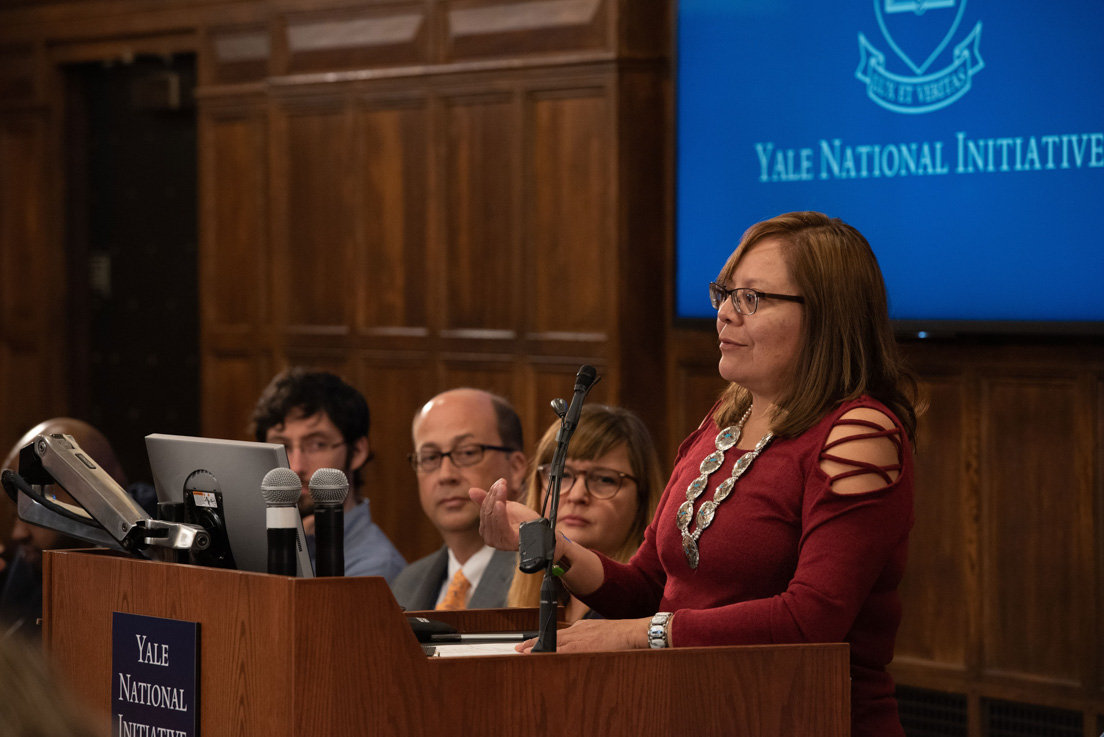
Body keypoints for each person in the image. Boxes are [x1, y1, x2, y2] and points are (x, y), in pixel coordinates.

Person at [473, 211, 920, 737]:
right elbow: (648, 586)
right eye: (724, 293)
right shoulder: (725, 419)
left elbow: (811, 619)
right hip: (692, 709)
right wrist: (552, 546)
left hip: (808, 716)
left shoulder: (860, 435)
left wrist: (635, 636)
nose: (725, 315)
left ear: (826, 316)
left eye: (751, 298)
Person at [507, 404, 664, 622]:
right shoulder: (540, 589)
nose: (577, 495)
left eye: (604, 479)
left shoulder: (648, 606)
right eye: (562, 475)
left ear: (642, 498)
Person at [251, 368, 405, 580]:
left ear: (358, 452)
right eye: (282, 445)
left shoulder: (376, 567)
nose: (296, 466)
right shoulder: (260, 544)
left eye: (317, 444)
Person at [390, 389, 526, 611]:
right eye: (430, 457)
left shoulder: (540, 577)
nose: (445, 475)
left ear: (516, 467)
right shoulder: (405, 585)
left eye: (467, 453)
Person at [1, 418, 129, 639]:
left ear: (97, 496)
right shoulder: (29, 571)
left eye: (33, 511)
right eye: (16, 516)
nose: (17, 534)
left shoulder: (152, 567)